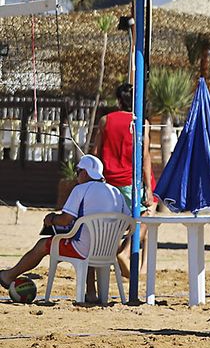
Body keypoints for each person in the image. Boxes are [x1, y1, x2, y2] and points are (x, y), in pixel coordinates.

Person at [0, 156, 129, 298]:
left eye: (78, 171)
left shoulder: (81, 189)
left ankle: (8, 276)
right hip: (108, 251)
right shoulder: (116, 192)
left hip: (83, 250)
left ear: (85, 173)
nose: (76, 175)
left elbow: (65, 220)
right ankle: (91, 292)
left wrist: (51, 219)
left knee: (43, 245)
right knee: (88, 239)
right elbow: (128, 222)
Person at [93, 82, 155, 278]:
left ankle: (125, 259)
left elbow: (95, 153)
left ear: (119, 100)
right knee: (146, 217)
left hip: (108, 182)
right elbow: (145, 157)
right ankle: (126, 252)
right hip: (130, 181)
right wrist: (148, 188)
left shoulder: (105, 121)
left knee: (109, 226)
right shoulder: (141, 123)